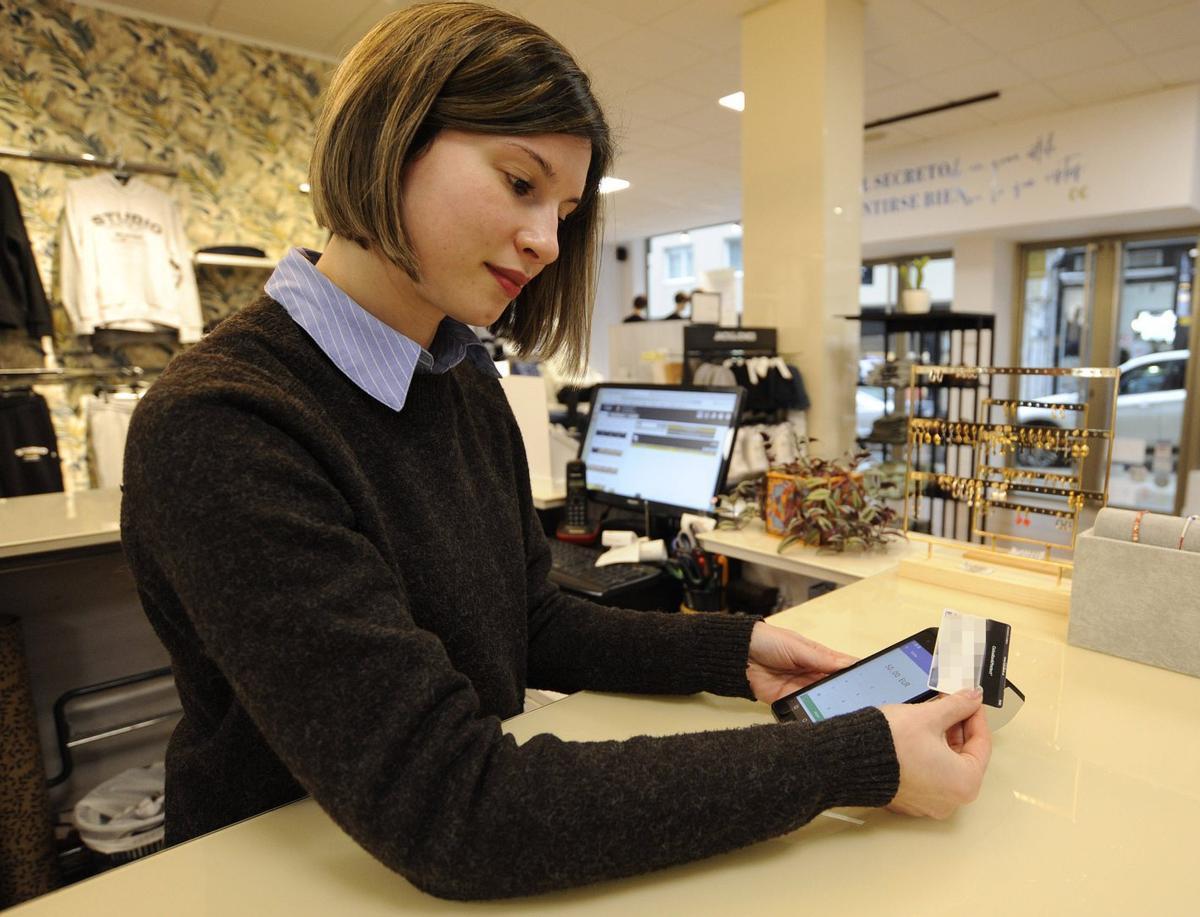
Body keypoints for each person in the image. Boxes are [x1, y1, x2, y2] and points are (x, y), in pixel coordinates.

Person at [120, 2, 990, 902]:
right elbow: (454, 806)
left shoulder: (459, 377)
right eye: (520, 182)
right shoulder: (225, 422)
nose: (546, 242)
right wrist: (847, 760)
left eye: (567, 210)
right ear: (390, 135)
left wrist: (731, 654)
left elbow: (529, 622)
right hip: (277, 876)